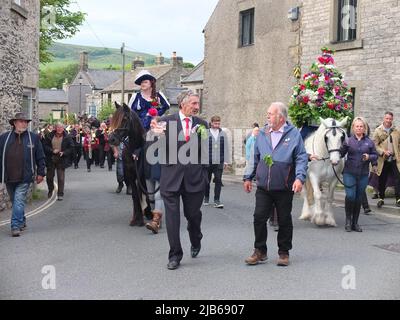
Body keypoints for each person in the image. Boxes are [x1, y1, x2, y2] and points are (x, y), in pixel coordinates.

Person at [243, 102, 308, 267]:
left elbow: (301, 157)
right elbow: (255, 157)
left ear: (281, 117)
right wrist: (248, 177)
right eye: (267, 114)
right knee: (259, 217)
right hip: (264, 186)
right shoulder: (263, 133)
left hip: (284, 186)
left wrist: (299, 178)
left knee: (284, 219)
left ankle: (284, 252)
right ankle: (260, 251)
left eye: (270, 114)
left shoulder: (293, 134)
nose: (267, 116)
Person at [158, 90, 209, 270]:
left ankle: (196, 238)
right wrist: (157, 137)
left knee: (193, 215)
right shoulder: (164, 122)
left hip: (194, 179)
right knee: (172, 219)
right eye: (194, 103)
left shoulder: (203, 124)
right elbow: (155, 149)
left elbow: (207, 152)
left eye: (197, 104)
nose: (197, 107)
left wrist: (204, 174)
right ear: (183, 104)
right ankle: (175, 255)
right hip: (171, 178)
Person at [0, 112, 46, 237]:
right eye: (21, 121)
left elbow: (40, 156)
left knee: (19, 200)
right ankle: (22, 220)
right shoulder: (4, 138)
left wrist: (41, 173)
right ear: (14, 123)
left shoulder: (33, 138)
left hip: (25, 176)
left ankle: (15, 226)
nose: (24, 124)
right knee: (16, 201)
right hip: (8, 176)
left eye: (26, 122)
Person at [340, 117, 378, 232]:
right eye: (357, 126)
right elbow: (340, 154)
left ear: (364, 128)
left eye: (361, 126)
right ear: (353, 128)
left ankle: (355, 223)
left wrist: (369, 157)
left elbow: (375, 155)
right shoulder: (348, 141)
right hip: (349, 173)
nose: (359, 128)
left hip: (363, 174)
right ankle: (348, 220)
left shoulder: (369, 142)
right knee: (351, 196)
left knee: (358, 198)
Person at [372, 111, 400, 208]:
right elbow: (374, 145)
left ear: (392, 119)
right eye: (387, 118)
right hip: (383, 159)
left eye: (390, 119)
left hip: (395, 159)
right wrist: (383, 152)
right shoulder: (377, 131)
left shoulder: (396, 130)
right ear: (384, 118)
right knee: (382, 179)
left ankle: (398, 199)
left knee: (398, 178)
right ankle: (381, 198)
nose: (388, 120)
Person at [42, 122, 74, 201]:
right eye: (58, 127)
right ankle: (51, 189)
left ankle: (60, 194)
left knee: (61, 178)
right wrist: (52, 150)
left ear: (63, 128)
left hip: (61, 159)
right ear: (55, 128)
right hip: (51, 158)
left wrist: (64, 152)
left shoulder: (67, 137)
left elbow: (71, 147)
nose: (60, 129)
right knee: (49, 177)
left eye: (61, 127)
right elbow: (44, 146)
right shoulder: (49, 136)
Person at [144, 117, 165, 234]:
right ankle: (155, 217)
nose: (151, 124)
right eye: (151, 123)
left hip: (159, 169)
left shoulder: (164, 136)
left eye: (154, 123)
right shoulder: (147, 135)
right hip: (148, 169)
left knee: (158, 195)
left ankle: (156, 221)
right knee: (151, 196)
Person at [203, 115, 230, 208]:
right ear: (211, 123)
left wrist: (226, 161)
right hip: (208, 161)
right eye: (215, 123)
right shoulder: (206, 133)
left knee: (218, 180)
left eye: (218, 123)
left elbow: (226, 147)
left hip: (219, 161)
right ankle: (206, 197)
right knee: (207, 181)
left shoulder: (223, 134)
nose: (217, 125)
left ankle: (217, 200)